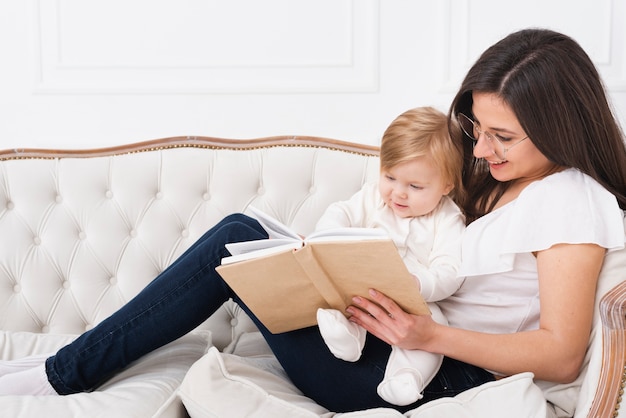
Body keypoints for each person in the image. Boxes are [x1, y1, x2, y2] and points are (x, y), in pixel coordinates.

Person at [1, 28, 625, 416]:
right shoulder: (508, 183)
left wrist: (424, 338)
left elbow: (563, 355)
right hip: (394, 342)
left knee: (235, 238)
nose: (481, 150)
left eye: (502, 137)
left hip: (433, 376)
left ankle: (63, 375)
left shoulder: (570, 198)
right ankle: (67, 368)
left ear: (559, 128)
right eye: (476, 129)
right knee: (251, 240)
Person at [315, 106, 465, 406]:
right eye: (390, 177)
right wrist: (328, 236)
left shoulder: (447, 218)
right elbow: (340, 212)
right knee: (336, 299)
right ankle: (345, 336)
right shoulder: (372, 197)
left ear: (446, 185)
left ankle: (407, 377)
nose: (398, 193)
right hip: (363, 286)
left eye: (415, 186)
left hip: (416, 302)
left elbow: (451, 270)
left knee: (435, 325)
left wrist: (419, 284)